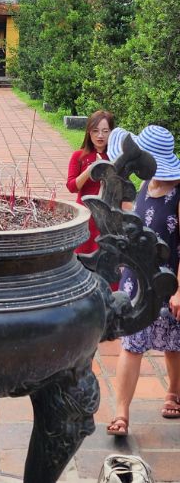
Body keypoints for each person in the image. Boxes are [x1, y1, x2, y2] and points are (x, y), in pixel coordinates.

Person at [107, 125, 180, 436]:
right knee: (132, 343)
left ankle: (174, 393)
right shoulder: (146, 183)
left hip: (168, 282)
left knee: (172, 343)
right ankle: (121, 412)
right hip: (137, 279)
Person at [66, 111, 114, 254]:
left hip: (108, 217)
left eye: (105, 131)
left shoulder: (115, 157)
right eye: (96, 131)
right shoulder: (79, 156)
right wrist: (90, 170)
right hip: (85, 214)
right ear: (89, 132)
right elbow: (72, 187)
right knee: (82, 257)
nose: (100, 136)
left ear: (111, 132)